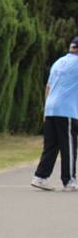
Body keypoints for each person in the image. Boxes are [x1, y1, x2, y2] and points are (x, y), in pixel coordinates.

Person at [31, 36, 78, 191]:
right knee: (68, 146)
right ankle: (69, 180)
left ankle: (40, 177)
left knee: (51, 145)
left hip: (51, 108)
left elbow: (48, 86)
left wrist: (45, 109)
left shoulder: (58, 62)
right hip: (67, 110)